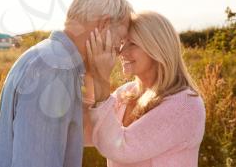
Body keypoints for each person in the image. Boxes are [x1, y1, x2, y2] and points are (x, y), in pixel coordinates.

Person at [0, 0, 133, 167]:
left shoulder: (46, 57)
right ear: (104, 25)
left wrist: (97, 78)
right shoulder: (56, 70)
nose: (119, 51)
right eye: (120, 40)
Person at [83, 11, 206, 167]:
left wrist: (101, 78)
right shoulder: (126, 93)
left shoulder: (186, 106)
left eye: (132, 43)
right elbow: (91, 132)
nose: (121, 51)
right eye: (122, 42)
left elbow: (120, 148)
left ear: (157, 48)